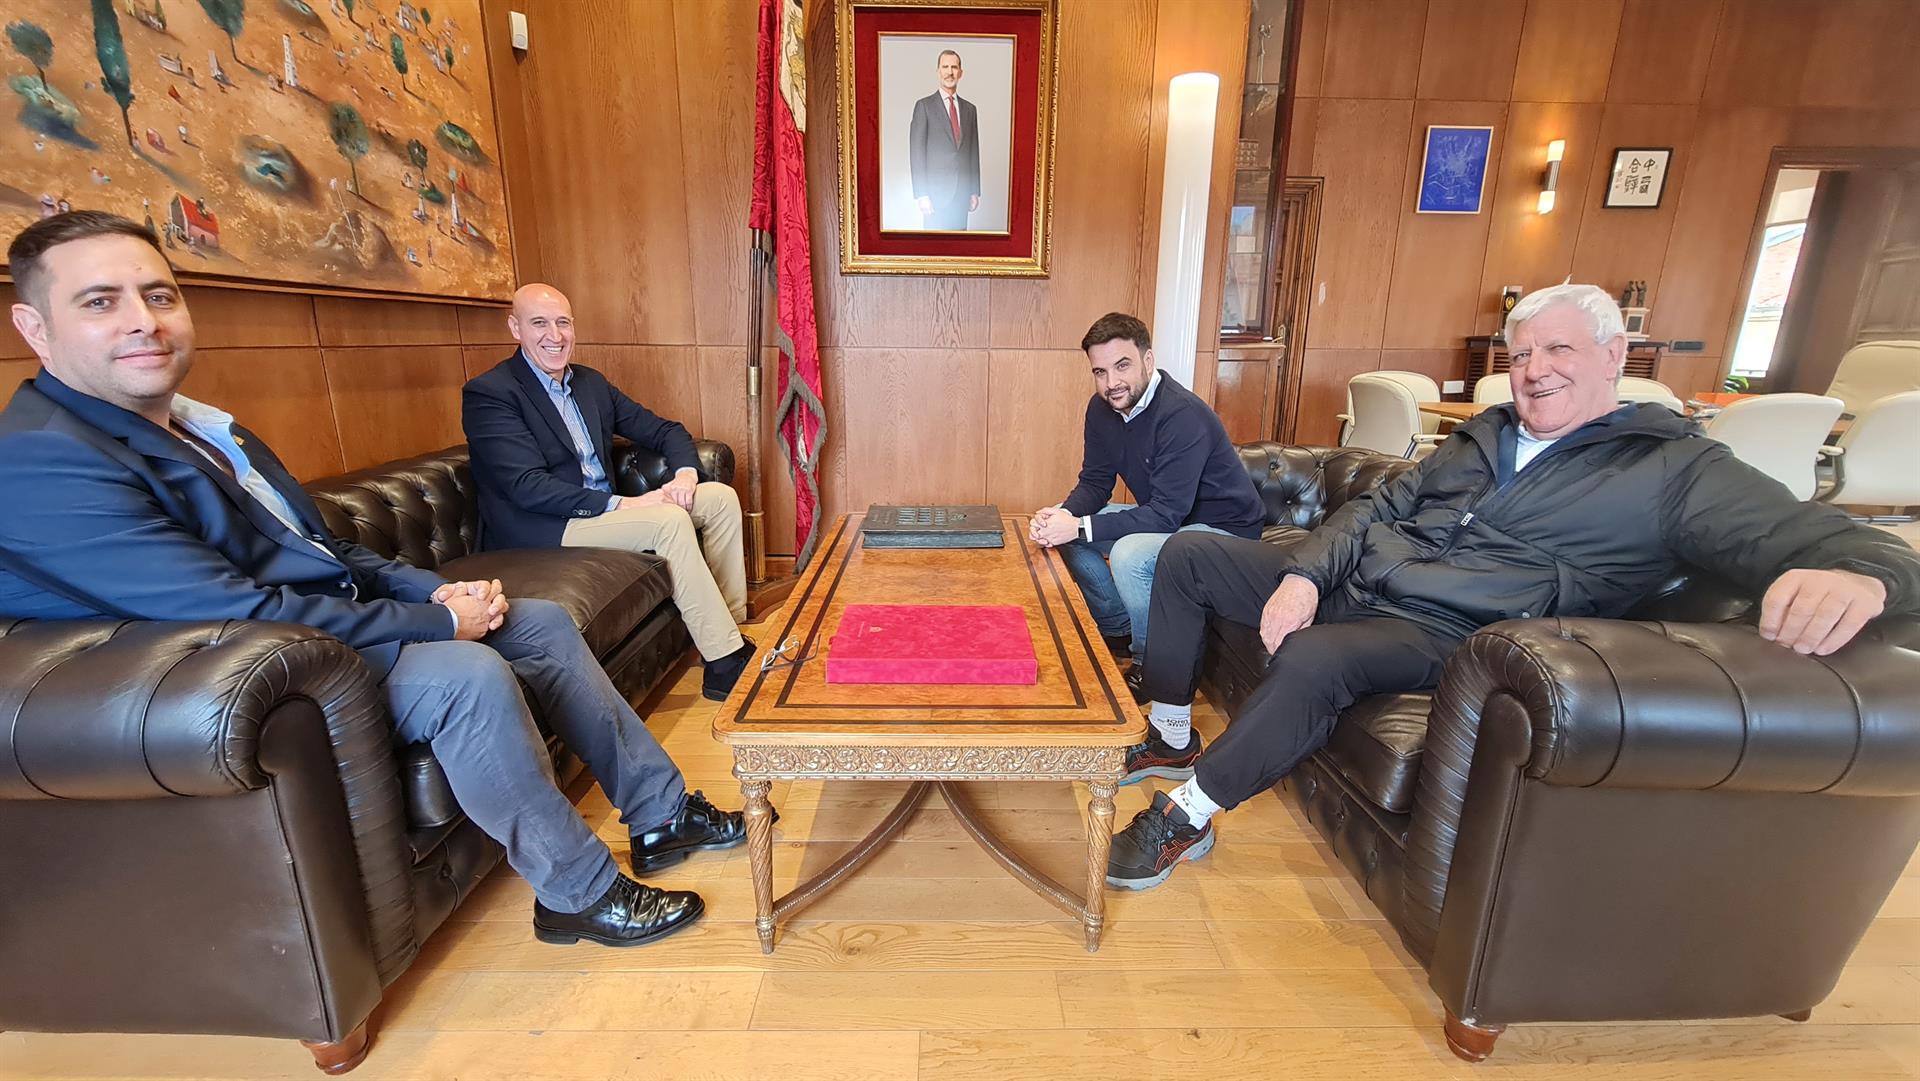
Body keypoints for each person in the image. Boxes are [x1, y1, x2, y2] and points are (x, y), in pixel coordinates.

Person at [0, 212, 753, 948]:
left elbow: (318, 546)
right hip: (262, 672)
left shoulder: (203, 427)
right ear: (34, 327)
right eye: (101, 302)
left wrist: (429, 590)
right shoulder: (43, 460)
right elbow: (232, 611)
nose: (144, 321)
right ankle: (577, 895)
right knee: (466, 674)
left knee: (542, 621)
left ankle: (662, 813)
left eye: (159, 294)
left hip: (323, 624)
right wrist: (437, 625)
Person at [1105, 283, 1920, 891]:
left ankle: (1188, 812)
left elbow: (1851, 545)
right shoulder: (1484, 434)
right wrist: (1309, 575)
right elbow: (1384, 503)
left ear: (1614, 357)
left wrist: (1864, 573)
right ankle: (1172, 726)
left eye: (1558, 351)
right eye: (1523, 354)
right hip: (1360, 579)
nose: (1535, 371)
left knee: (1315, 660)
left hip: (1443, 626)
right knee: (1190, 553)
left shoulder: (1677, 470)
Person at [462, 284, 754, 702]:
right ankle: (725, 667)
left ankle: (727, 629)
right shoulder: (492, 394)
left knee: (718, 499)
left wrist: (687, 475)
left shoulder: (589, 384)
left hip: (605, 513)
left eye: (563, 322)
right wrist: (628, 503)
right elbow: (526, 488)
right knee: (668, 522)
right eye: (539, 323)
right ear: (515, 328)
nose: (554, 335)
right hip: (547, 526)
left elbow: (665, 430)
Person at [1029, 312, 1263, 734]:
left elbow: (1166, 515)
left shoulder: (1182, 415)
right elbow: (1096, 482)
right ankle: (1118, 627)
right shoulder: (1101, 410)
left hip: (1223, 532)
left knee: (1131, 553)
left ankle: (1147, 664)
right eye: (1099, 372)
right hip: (1170, 518)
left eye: (1122, 366)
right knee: (1066, 530)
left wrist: (1080, 526)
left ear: (1148, 359)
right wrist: (1064, 515)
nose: (1110, 383)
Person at [908, 48, 980, 231]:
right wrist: (921, 194)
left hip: (962, 195)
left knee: (960, 251)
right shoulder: (924, 106)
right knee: (934, 251)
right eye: (945, 67)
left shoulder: (970, 109)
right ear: (938, 71)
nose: (950, 72)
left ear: (961, 73)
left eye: (954, 67)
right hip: (934, 195)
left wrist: (974, 190)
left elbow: (973, 152)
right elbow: (916, 153)